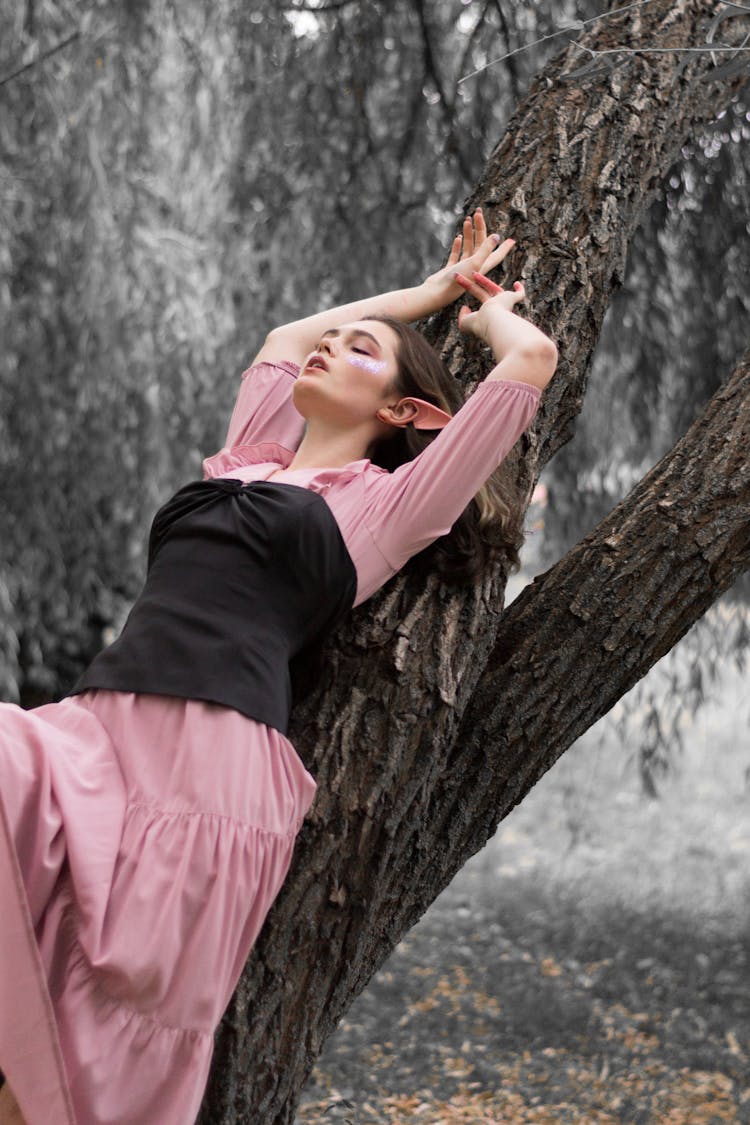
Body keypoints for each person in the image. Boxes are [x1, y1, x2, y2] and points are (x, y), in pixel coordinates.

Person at [0, 209, 557, 1125]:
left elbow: (528, 364)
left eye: (362, 353)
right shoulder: (247, 456)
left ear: (403, 413)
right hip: (94, 736)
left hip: (205, 773)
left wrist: (482, 312)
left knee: (83, 1053)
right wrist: (422, 293)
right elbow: (284, 337)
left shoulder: (383, 511)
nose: (328, 348)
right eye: (337, 341)